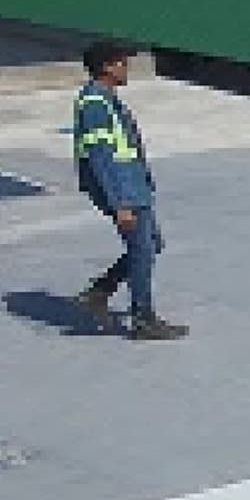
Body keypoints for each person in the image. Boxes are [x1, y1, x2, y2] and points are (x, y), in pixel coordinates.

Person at [71, 41, 187, 340]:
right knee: (143, 248)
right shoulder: (95, 105)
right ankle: (142, 318)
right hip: (123, 189)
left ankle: (99, 292)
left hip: (132, 185)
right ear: (107, 67)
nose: (127, 68)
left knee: (150, 245)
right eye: (122, 63)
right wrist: (119, 202)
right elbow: (101, 158)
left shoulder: (105, 99)